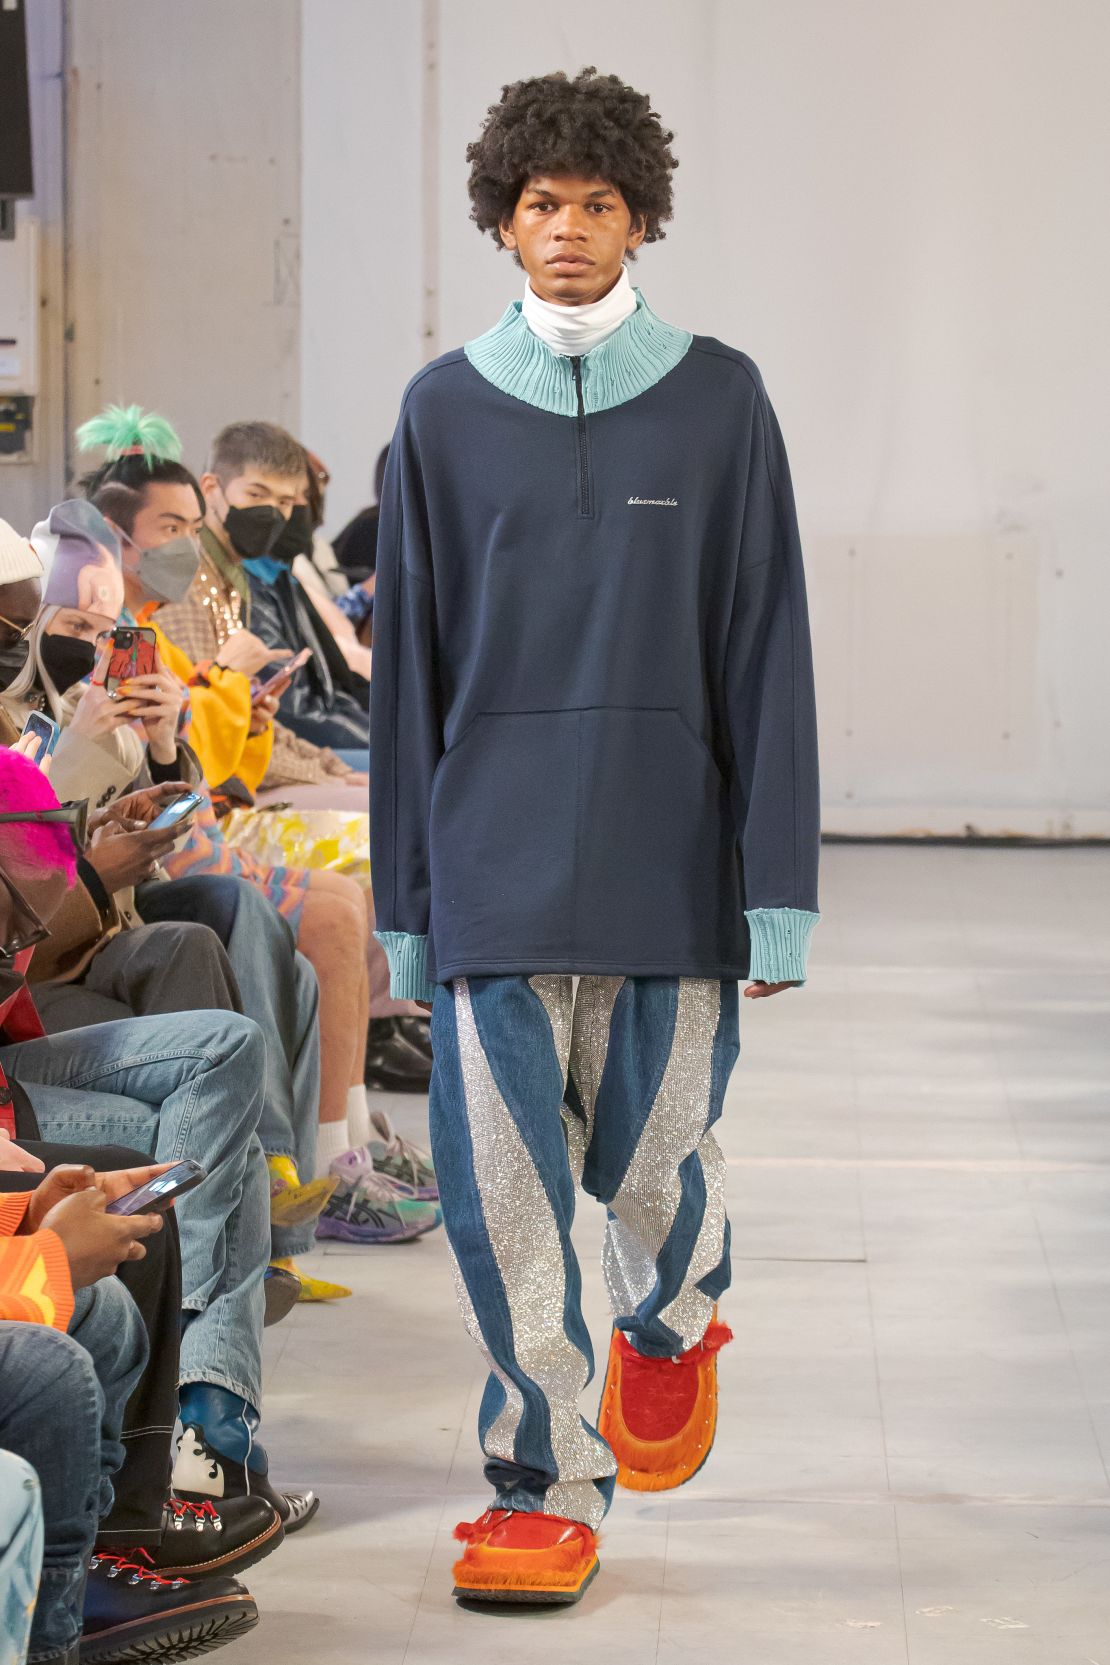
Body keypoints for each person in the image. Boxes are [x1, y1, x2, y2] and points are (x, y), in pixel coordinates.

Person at [370, 67, 821, 1605]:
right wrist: (407, 905)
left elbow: (766, 651)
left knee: (646, 1173)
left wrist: (777, 896)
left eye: (597, 204)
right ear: (501, 222)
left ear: (641, 217)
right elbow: (410, 674)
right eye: (541, 205)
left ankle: (676, 1314)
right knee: (500, 1203)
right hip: (488, 866)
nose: (567, 230)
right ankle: (540, 1478)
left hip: (664, 864)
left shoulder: (719, 398)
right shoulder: (437, 410)